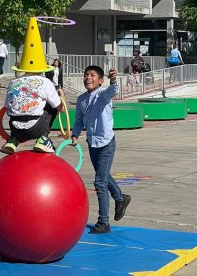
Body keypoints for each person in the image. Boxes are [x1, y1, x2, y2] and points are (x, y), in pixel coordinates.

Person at [71, 66, 131, 234]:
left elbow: (113, 90)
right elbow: (78, 121)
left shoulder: (103, 95)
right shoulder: (81, 99)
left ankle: (103, 222)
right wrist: (75, 135)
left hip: (106, 143)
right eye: (86, 75)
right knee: (104, 177)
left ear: (100, 81)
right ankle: (121, 199)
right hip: (92, 143)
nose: (88, 78)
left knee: (100, 182)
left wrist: (113, 79)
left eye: (92, 75)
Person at [0, 71, 65, 154]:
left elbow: (7, 107)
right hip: (36, 128)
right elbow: (61, 109)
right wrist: (61, 95)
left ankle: (12, 141)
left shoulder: (13, 82)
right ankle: (43, 139)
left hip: (15, 129)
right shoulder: (45, 81)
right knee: (52, 104)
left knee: (17, 108)